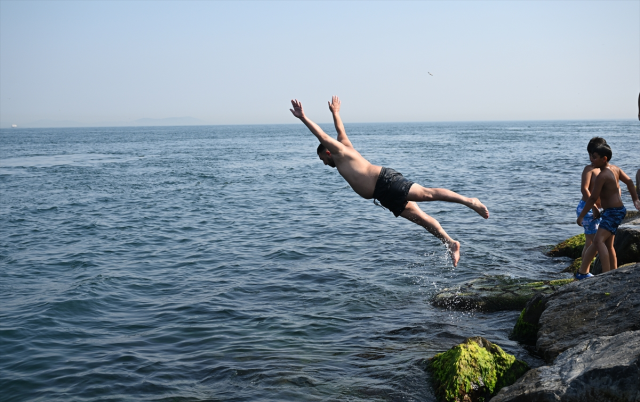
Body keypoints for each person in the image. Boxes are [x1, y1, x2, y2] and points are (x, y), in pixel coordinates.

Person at [289, 96, 489, 267]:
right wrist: (336, 113)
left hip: (385, 182)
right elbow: (340, 129)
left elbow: (322, 135)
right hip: (382, 194)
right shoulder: (344, 146)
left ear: (328, 151)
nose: (324, 164)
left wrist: (303, 117)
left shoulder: (340, 152)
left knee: (427, 194)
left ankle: (470, 201)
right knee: (420, 219)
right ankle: (451, 243)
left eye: (323, 159)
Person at [576, 143, 640, 279]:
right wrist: (635, 199)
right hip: (617, 210)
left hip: (613, 212)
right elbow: (629, 182)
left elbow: (592, 197)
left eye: (594, 157)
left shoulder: (602, 176)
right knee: (609, 244)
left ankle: (606, 276)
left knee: (598, 241)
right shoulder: (615, 168)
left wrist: (581, 216)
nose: (591, 160)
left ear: (604, 159)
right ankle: (614, 271)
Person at [576, 137, 607, 265]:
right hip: (588, 208)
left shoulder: (605, 169)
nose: (591, 158)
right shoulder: (589, 169)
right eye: (589, 155)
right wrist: (594, 207)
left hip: (598, 209)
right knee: (592, 241)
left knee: (595, 241)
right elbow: (584, 189)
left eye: (594, 155)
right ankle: (585, 270)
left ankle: (586, 268)